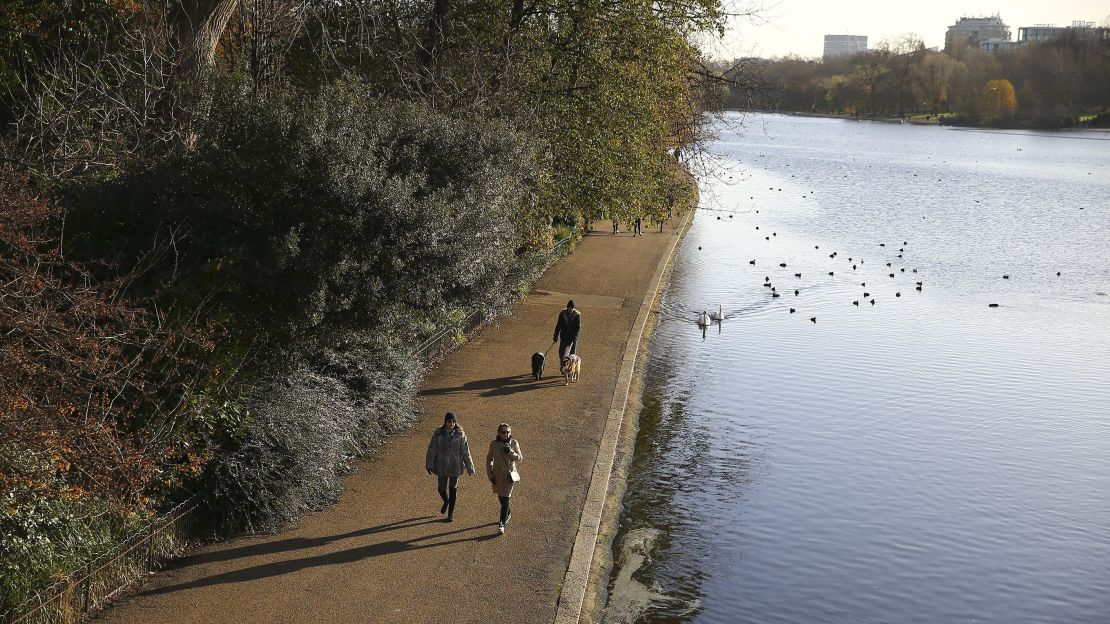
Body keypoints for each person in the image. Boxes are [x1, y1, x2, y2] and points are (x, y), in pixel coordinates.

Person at [425, 412, 475, 522]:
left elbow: (466, 452)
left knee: (453, 489)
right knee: (441, 488)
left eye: (453, 421)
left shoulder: (461, 435)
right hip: (441, 466)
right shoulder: (438, 434)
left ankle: (450, 514)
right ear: (445, 422)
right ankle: (446, 501)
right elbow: (432, 449)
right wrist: (429, 464)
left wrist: (469, 467)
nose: (451, 423)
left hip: (455, 466)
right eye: (449, 421)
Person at [486, 423, 523, 534]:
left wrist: (510, 452)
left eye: (508, 432)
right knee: (501, 498)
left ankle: (501, 524)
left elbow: (520, 458)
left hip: (510, 475)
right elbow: (489, 459)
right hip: (498, 475)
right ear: (499, 432)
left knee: (505, 498)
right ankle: (508, 513)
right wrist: (490, 475)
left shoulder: (514, 443)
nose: (506, 434)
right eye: (503, 432)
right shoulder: (493, 444)